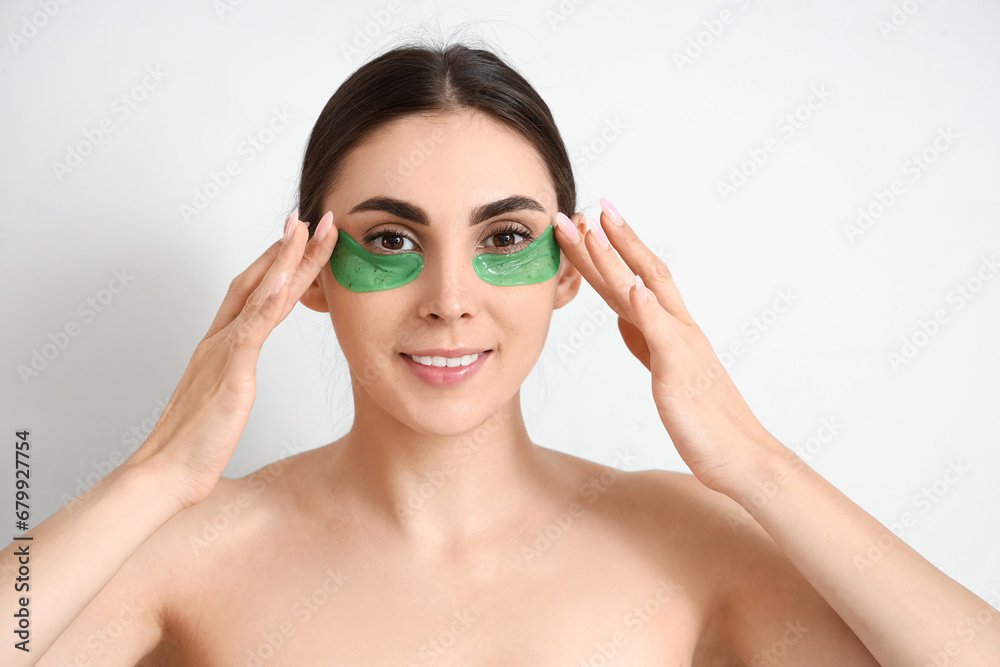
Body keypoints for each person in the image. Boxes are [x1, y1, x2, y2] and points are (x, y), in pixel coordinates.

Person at [4, 38, 998, 666]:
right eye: (391, 240)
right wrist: (157, 473)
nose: (447, 299)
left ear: (571, 269)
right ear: (307, 273)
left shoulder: (685, 539)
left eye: (504, 239)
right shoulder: (189, 551)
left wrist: (753, 462)